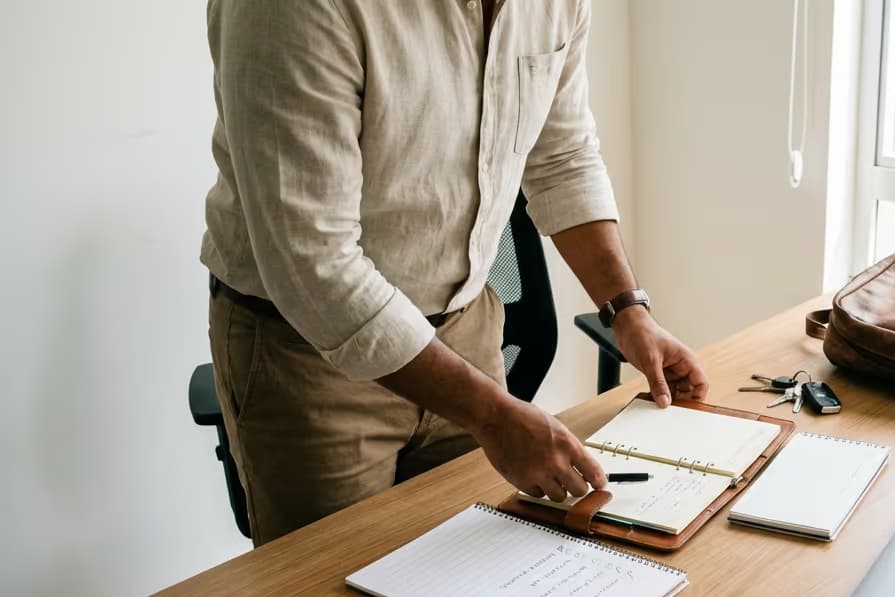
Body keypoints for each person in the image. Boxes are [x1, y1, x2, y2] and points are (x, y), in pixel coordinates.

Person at [201, 0, 709, 545]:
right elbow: (315, 263)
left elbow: (563, 157)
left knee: (485, 568)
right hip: (310, 356)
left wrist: (627, 309)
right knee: (335, 586)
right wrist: (493, 417)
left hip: (466, 329)